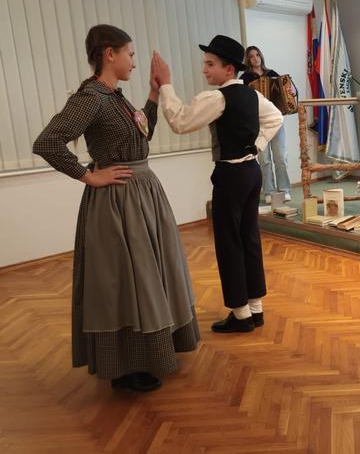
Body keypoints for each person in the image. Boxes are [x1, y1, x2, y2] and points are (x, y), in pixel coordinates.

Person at [32, 24, 200, 392]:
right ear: (110, 53)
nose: (134, 62)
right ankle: (124, 367)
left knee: (147, 278)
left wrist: (153, 95)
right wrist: (88, 175)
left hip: (141, 196)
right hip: (118, 202)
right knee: (124, 281)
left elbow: (142, 135)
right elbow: (48, 142)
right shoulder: (91, 97)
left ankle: (149, 353)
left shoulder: (116, 97)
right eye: (130, 54)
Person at [152, 36, 283, 333]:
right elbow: (275, 117)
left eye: (210, 64)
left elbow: (180, 121)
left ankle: (241, 315)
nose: (205, 70)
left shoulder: (218, 98)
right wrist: (257, 145)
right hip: (251, 172)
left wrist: (166, 86)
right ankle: (255, 308)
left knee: (229, 241)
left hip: (232, 176)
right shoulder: (252, 95)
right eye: (205, 64)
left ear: (229, 69)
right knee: (248, 237)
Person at [241, 46, 291, 203]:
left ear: (261, 56)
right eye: (251, 56)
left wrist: (289, 91)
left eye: (257, 55)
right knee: (264, 160)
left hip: (275, 120)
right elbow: (243, 100)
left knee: (281, 157)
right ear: (248, 59)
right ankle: (268, 191)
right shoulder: (245, 78)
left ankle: (284, 189)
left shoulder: (272, 74)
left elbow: (286, 90)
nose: (255, 58)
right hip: (257, 123)